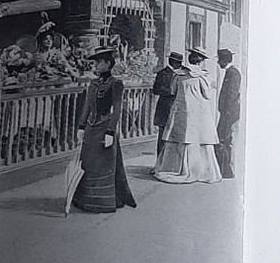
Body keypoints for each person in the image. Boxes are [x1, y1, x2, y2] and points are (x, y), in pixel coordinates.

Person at [72, 47, 138, 213]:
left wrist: (110, 131)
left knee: (103, 165)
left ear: (108, 63)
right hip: (91, 128)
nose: (96, 65)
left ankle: (102, 201)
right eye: (95, 62)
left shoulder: (116, 83)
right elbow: (87, 105)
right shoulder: (93, 83)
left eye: (100, 62)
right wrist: (81, 126)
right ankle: (84, 200)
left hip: (104, 127)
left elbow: (116, 110)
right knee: (88, 163)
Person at [154, 48, 222, 184]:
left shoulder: (178, 75)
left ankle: (175, 167)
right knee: (199, 138)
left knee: (180, 138)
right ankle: (201, 170)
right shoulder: (202, 76)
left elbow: (172, 90)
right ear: (200, 61)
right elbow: (207, 94)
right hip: (198, 112)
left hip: (181, 110)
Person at [215, 48, 241, 178]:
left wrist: (227, 113)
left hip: (229, 114)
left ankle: (227, 171)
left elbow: (232, 94)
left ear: (224, 61)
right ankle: (224, 169)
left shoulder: (233, 73)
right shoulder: (229, 72)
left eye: (220, 60)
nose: (218, 62)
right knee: (223, 140)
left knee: (226, 140)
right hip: (226, 112)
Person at [151, 52, 184, 150]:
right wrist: (171, 91)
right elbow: (156, 89)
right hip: (164, 108)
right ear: (172, 62)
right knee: (162, 136)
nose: (179, 65)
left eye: (180, 63)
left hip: (177, 108)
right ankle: (160, 161)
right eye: (177, 63)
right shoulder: (162, 73)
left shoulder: (181, 74)